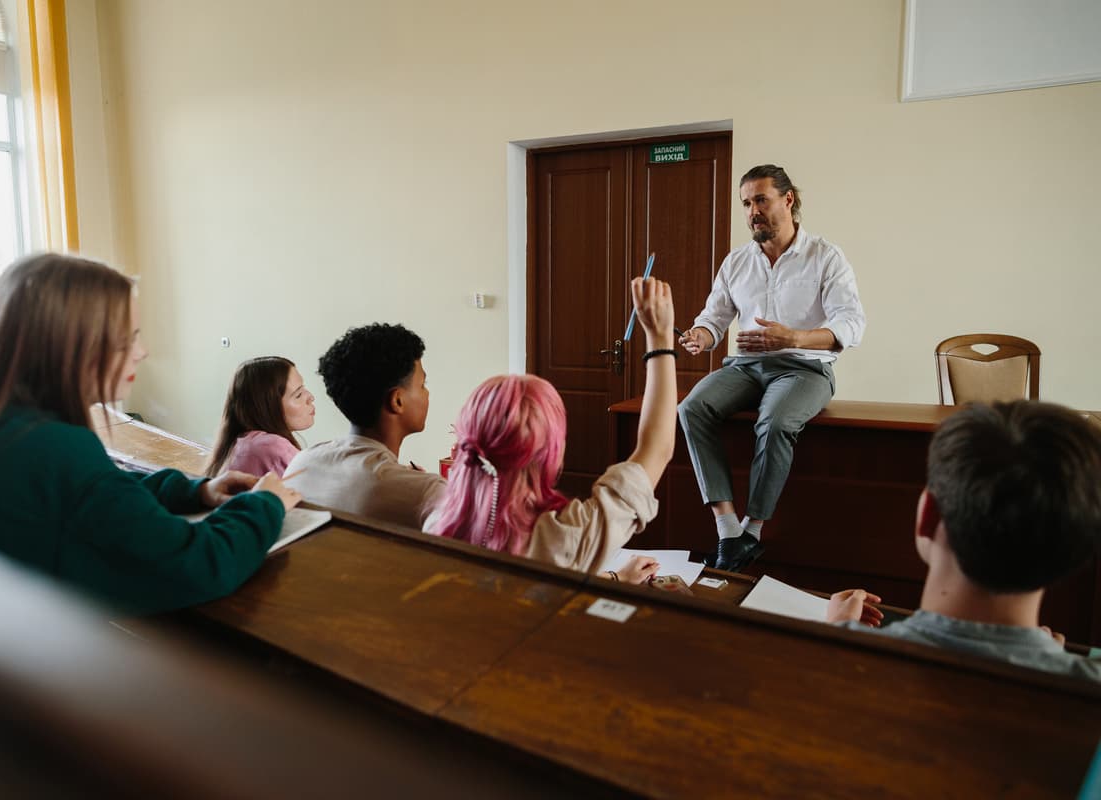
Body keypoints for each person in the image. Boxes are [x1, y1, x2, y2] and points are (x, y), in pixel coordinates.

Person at [0, 254, 302, 615]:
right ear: (68, 346)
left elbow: (102, 493)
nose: (142, 352)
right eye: (128, 339)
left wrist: (195, 491)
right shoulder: (57, 449)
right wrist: (264, 504)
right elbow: (197, 564)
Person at [826, 401, 1101, 681]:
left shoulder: (833, 661)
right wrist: (1049, 661)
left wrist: (836, 635)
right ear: (1076, 549)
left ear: (928, 517)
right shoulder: (1084, 692)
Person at [677, 164, 866, 571]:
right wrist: (700, 336)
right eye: (746, 203)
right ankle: (728, 530)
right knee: (691, 407)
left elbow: (851, 325)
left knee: (775, 420)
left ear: (788, 200)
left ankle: (753, 530)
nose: (752, 211)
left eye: (760, 200)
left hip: (805, 369)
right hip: (746, 367)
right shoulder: (737, 262)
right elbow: (714, 318)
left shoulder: (825, 257)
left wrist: (793, 339)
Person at [427, 277, 677, 578]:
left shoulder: (437, 522)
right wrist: (660, 340)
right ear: (549, 452)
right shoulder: (566, 534)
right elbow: (656, 449)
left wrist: (615, 579)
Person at [283, 323, 444, 529]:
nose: (427, 393)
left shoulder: (301, 463)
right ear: (397, 401)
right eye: (422, 385)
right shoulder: (427, 493)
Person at [205, 356, 316, 478]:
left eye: (303, 388)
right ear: (268, 407)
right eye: (298, 395)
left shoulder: (243, 442)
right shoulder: (272, 447)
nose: (310, 397)